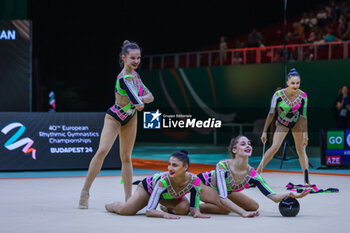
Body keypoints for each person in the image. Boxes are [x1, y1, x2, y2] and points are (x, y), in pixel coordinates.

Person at [79, 40, 154, 209]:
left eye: (138, 58)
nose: (136, 61)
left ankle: (129, 198)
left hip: (130, 118)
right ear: (124, 58)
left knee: (126, 157)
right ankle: (85, 192)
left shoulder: (136, 76)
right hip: (114, 117)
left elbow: (151, 96)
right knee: (102, 151)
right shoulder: (124, 79)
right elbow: (142, 104)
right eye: (132, 58)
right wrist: (141, 99)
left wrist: (140, 99)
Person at [197, 136, 309, 217]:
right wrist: (242, 213)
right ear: (234, 150)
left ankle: (213, 203)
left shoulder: (253, 174)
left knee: (253, 206)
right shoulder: (223, 166)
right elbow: (223, 197)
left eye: (249, 144)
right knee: (225, 209)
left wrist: (292, 194)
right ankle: (193, 206)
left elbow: (274, 197)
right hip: (201, 185)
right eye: (243, 144)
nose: (248, 146)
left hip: (225, 191)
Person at [105, 150, 210, 219]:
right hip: (147, 190)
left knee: (183, 209)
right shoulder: (163, 181)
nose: (170, 168)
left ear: (185, 167)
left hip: (166, 196)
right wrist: (164, 215)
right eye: (169, 164)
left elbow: (194, 206)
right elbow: (149, 211)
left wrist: (197, 212)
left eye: (175, 165)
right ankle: (112, 205)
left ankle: (165, 207)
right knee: (126, 211)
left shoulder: (195, 181)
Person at [257, 68, 311, 185]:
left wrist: (305, 134)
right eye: (293, 83)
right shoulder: (278, 94)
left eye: (298, 83)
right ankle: (257, 174)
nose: (295, 85)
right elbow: (271, 113)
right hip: (282, 123)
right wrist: (264, 131)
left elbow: (304, 117)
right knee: (275, 147)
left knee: (301, 150)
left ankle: (306, 180)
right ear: (287, 82)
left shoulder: (303, 96)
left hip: (297, 122)